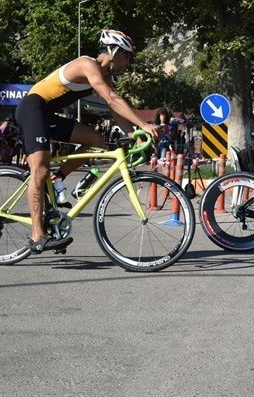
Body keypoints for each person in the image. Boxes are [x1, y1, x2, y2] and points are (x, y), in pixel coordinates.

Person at [15, 29, 159, 253]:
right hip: (33, 107)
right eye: (126, 56)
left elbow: (114, 109)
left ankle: (59, 176)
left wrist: (133, 135)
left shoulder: (105, 77)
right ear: (113, 52)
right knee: (39, 170)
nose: (128, 62)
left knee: (96, 140)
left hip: (48, 115)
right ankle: (37, 236)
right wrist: (143, 124)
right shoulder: (87, 64)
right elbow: (112, 99)